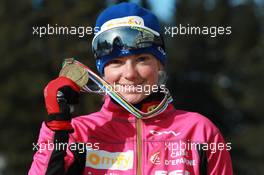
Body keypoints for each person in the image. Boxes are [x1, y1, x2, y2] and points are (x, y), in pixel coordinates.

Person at [29, 2, 233, 175]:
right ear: (102, 71)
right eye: (116, 61)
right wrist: (56, 128)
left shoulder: (200, 132)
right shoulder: (81, 134)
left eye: (142, 59)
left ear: (159, 64)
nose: (130, 73)